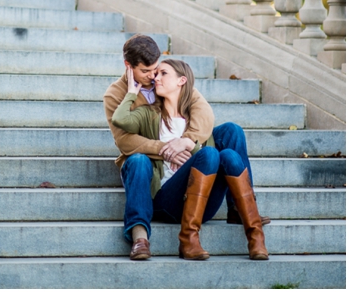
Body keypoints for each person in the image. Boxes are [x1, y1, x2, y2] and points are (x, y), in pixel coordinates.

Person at [103, 34, 269, 260]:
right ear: (128, 66)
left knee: (232, 132)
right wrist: (166, 148)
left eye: (156, 69)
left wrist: (188, 140)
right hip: (154, 165)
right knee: (138, 160)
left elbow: (204, 111)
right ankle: (140, 236)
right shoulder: (115, 94)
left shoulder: (170, 79)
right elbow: (124, 140)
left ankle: (239, 208)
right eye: (146, 72)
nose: (153, 76)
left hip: (186, 152)